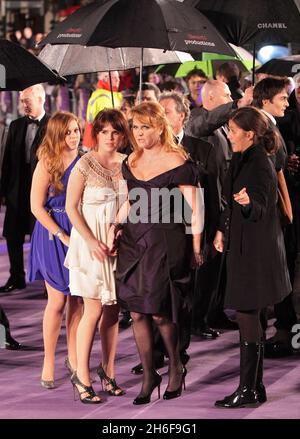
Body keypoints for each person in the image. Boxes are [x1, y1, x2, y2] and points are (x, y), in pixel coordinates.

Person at [114, 101, 204, 404]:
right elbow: (130, 199)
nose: (138, 133)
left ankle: (176, 366)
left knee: (160, 312)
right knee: (137, 311)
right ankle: (150, 373)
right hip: (132, 242)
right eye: (135, 127)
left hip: (165, 241)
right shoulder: (131, 161)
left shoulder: (177, 160)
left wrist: (195, 246)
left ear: (160, 127)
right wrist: (116, 224)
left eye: (145, 127)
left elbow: (194, 209)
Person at [213, 107, 291, 408]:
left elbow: (263, 207)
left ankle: (247, 389)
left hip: (256, 255)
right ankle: (254, 387)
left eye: (232, 130)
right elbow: (229, 205)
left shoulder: (260, 163)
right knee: (253, 317)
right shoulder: (243, 157)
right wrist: (222, 230)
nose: (228, 134)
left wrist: (248, 204)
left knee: (248, 315)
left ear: (249, 134)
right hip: (248, 249)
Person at [65, 109, 130, 404]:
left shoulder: (128, 164)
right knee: (92, 310)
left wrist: (117, 228)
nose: (110, 137)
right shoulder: (85, 163)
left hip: (116, 243)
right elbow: (71, 208)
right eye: (105, 131)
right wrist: (92, 241)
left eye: (116, 132)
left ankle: (108, 372)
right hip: (88, 244)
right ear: (97, 133)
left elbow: (131, 201)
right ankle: (82, 376)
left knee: (113, 310)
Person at [29, 111, 83, 389]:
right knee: (58, 300)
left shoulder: (87, 159)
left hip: (80, 230)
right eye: (68, 132)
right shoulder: (47, 161)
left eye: (76, 130)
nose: (73, 136)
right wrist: (61, 234)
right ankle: (49, 360)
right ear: (56, 135)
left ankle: (74, 358)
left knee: (78, 300)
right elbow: (36, 206)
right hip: (52, 233)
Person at [253, 76, 298, 357]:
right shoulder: (262, 126)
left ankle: (280, 333)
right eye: (282, 98)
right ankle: (271, 336)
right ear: (266, 100)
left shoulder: (273, 125)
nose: (287, 102)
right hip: (266, 214)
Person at [0, 84, 49, 293]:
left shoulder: (53, 124)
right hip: (17, 188)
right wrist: (4, 190)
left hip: (43, 188)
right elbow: (7, 161)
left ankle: (49, 279)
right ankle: (16, 276)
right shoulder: (16, 125)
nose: (23, 105)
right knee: (13, 234)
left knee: (44, 235)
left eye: (26, 101)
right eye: (21, 101)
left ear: (40, 99)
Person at [82, 71, 122, 148]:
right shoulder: (103, 97)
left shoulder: (110, 94)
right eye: (114, 77)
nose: (118, 80)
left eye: (118, 77)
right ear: (105, 79)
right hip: (98, 144)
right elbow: (108, 124)